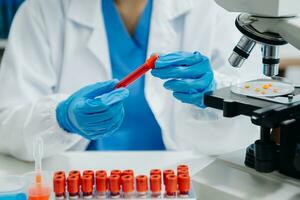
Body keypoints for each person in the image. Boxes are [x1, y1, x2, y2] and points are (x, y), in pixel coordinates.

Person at [0, 0, 262, 161]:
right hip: (82, 181)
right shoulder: (42, 11)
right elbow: (6, 125)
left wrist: (214, 92)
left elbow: (252, 119)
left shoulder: (211, 9)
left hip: (184, 177)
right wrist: (61, 118)